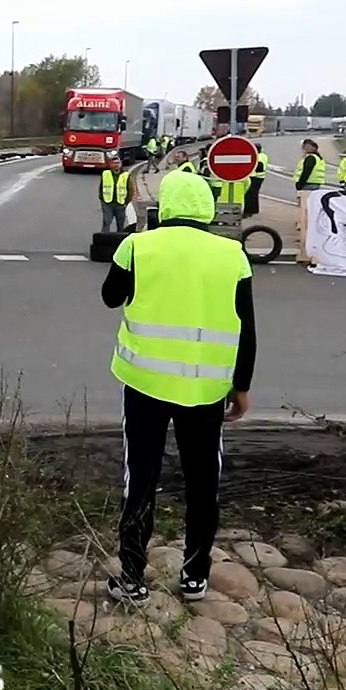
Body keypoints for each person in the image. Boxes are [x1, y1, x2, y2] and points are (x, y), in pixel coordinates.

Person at [101, 170, 256, 605]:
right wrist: (241, 386)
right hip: (207, 390)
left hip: (145, 385)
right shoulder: (233, 254)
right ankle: (194, 577)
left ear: (164, 206)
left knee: (141, 478)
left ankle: (132, 577)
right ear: (206, 208)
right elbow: (247, 328)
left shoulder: (137, 247)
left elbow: (110, 297)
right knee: (203, 480)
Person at [98, 155, 134, 233]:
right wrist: (102, 200)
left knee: (120, 224)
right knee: (106, 222)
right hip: (107, 203)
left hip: (120, 204)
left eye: (118, 163)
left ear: (121, 164)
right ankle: (104, 238)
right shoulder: (105, 174)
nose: (116, 165)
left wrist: (126, 202)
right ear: (111, 165)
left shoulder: (126, 175)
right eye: (114, 163)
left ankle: (119, 239)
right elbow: (101, 188)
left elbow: (131, 190)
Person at [245, 149, 269, 217]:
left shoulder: (257, 156)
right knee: (254, 194)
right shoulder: (264, 156)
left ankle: (249, 211)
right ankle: (255, 210)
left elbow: (259, 167)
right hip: (261, 177)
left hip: (255, 177)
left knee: (251, 194)